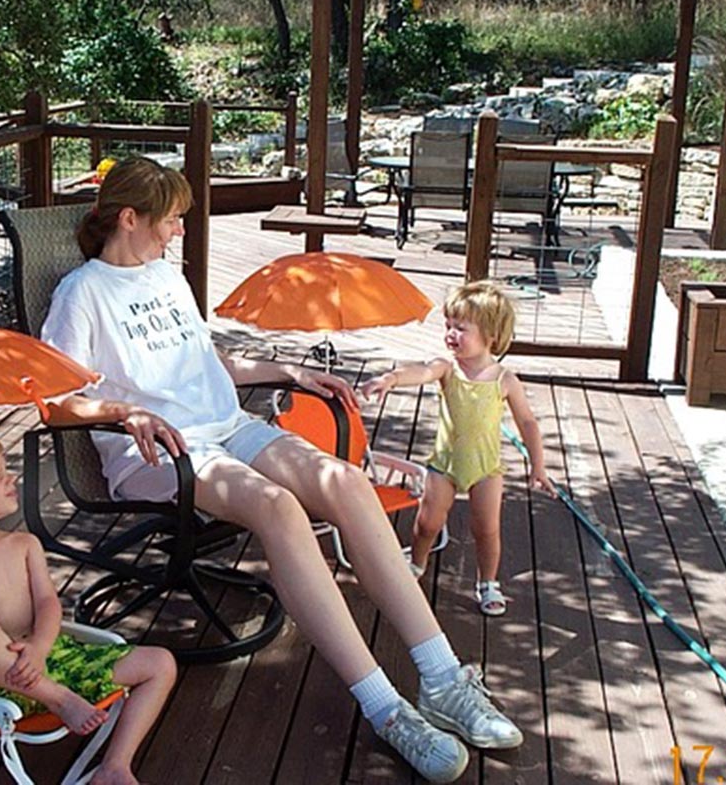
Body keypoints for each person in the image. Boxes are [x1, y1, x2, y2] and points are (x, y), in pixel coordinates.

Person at [39, 156, 523, 783]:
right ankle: (386, 709)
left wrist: (287, 371)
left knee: (345, 482)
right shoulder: (82, 294)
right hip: (162, 456)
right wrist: (119, 410)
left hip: (226, 428)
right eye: (172, 220)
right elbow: (52, 402)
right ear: (129, 218)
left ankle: (441, 678)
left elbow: (205, 365)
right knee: (278, 508)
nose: (179, 232)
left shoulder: (166, 277)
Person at [0, 430, 176, 785]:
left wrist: (38, 648)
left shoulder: (24, 544)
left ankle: (115, 765)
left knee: (161, 663)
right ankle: (60, 699)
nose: (12, 477)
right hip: (1, 684)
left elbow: (49, 604)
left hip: (51, 655)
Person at [361, 282, 554, 616]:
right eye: (448, 326)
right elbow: (421, 372)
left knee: (487, 529)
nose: (451, 334)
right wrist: (391, 379)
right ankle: (417, 563)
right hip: (444, 467)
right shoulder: (447, 368)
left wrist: (538, 467)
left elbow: (528, 424)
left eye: (460, 328)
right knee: (427, 523)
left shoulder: (504, 379)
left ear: (491, 334)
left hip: (486, 470)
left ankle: (488, 582)